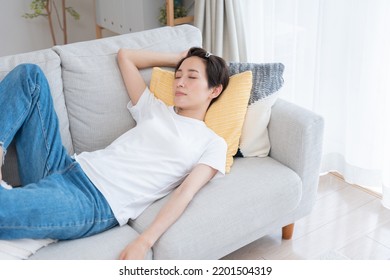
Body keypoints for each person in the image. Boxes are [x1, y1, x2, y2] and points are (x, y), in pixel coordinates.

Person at [0, 47, 229, 259]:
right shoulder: (154, 108)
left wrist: (145, 240)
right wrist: (179, 57)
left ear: (215, 89)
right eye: (178, 75)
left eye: (191, 77)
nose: (180, 82)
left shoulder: (212, 143)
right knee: (29, 75)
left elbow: (185, 193)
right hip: (66, 165)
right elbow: (125, 56)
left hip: (93, 200)